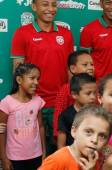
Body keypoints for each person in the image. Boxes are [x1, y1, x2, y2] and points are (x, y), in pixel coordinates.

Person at [10, 0, 74, 154]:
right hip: (33, 103)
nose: (50, 9)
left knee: (58, 151)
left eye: (53, 5)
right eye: (45, 4)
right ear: (34, 7)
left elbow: (70, 69)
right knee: (33, 151)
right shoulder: (22, 33)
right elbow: (18, 70)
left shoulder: (66, 33)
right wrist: (25, 100)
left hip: (59, 104)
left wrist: (70, 97)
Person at [39, 105, 112, 170]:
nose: (95, 140)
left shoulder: (94, 161)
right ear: (74, 131)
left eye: (102, 136)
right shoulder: (58, 160)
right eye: (88, 132)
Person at [0, 63, 46, 170]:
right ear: (19, 80)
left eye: (37, 79)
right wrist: (3, 157)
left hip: (36, 155)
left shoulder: (38, 101)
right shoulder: (7, 102)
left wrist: (43, 152)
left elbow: (41, 126)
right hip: (14, 157)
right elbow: (1, 131)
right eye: (32, 78)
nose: (36, 82)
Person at [53, 50, 94, 137]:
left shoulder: (94, 86)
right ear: (73, 69)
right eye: (85, 65)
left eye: (92, 64)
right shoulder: (65, 89)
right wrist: (58, 135)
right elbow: (58, 114)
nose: (90, 67)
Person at [57, 73, 97, 149]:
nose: (93, 97)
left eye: (94, 93)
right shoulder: (65, 116)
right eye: (88, 93)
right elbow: (61, 145)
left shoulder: (97, 114)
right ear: (74, 94)